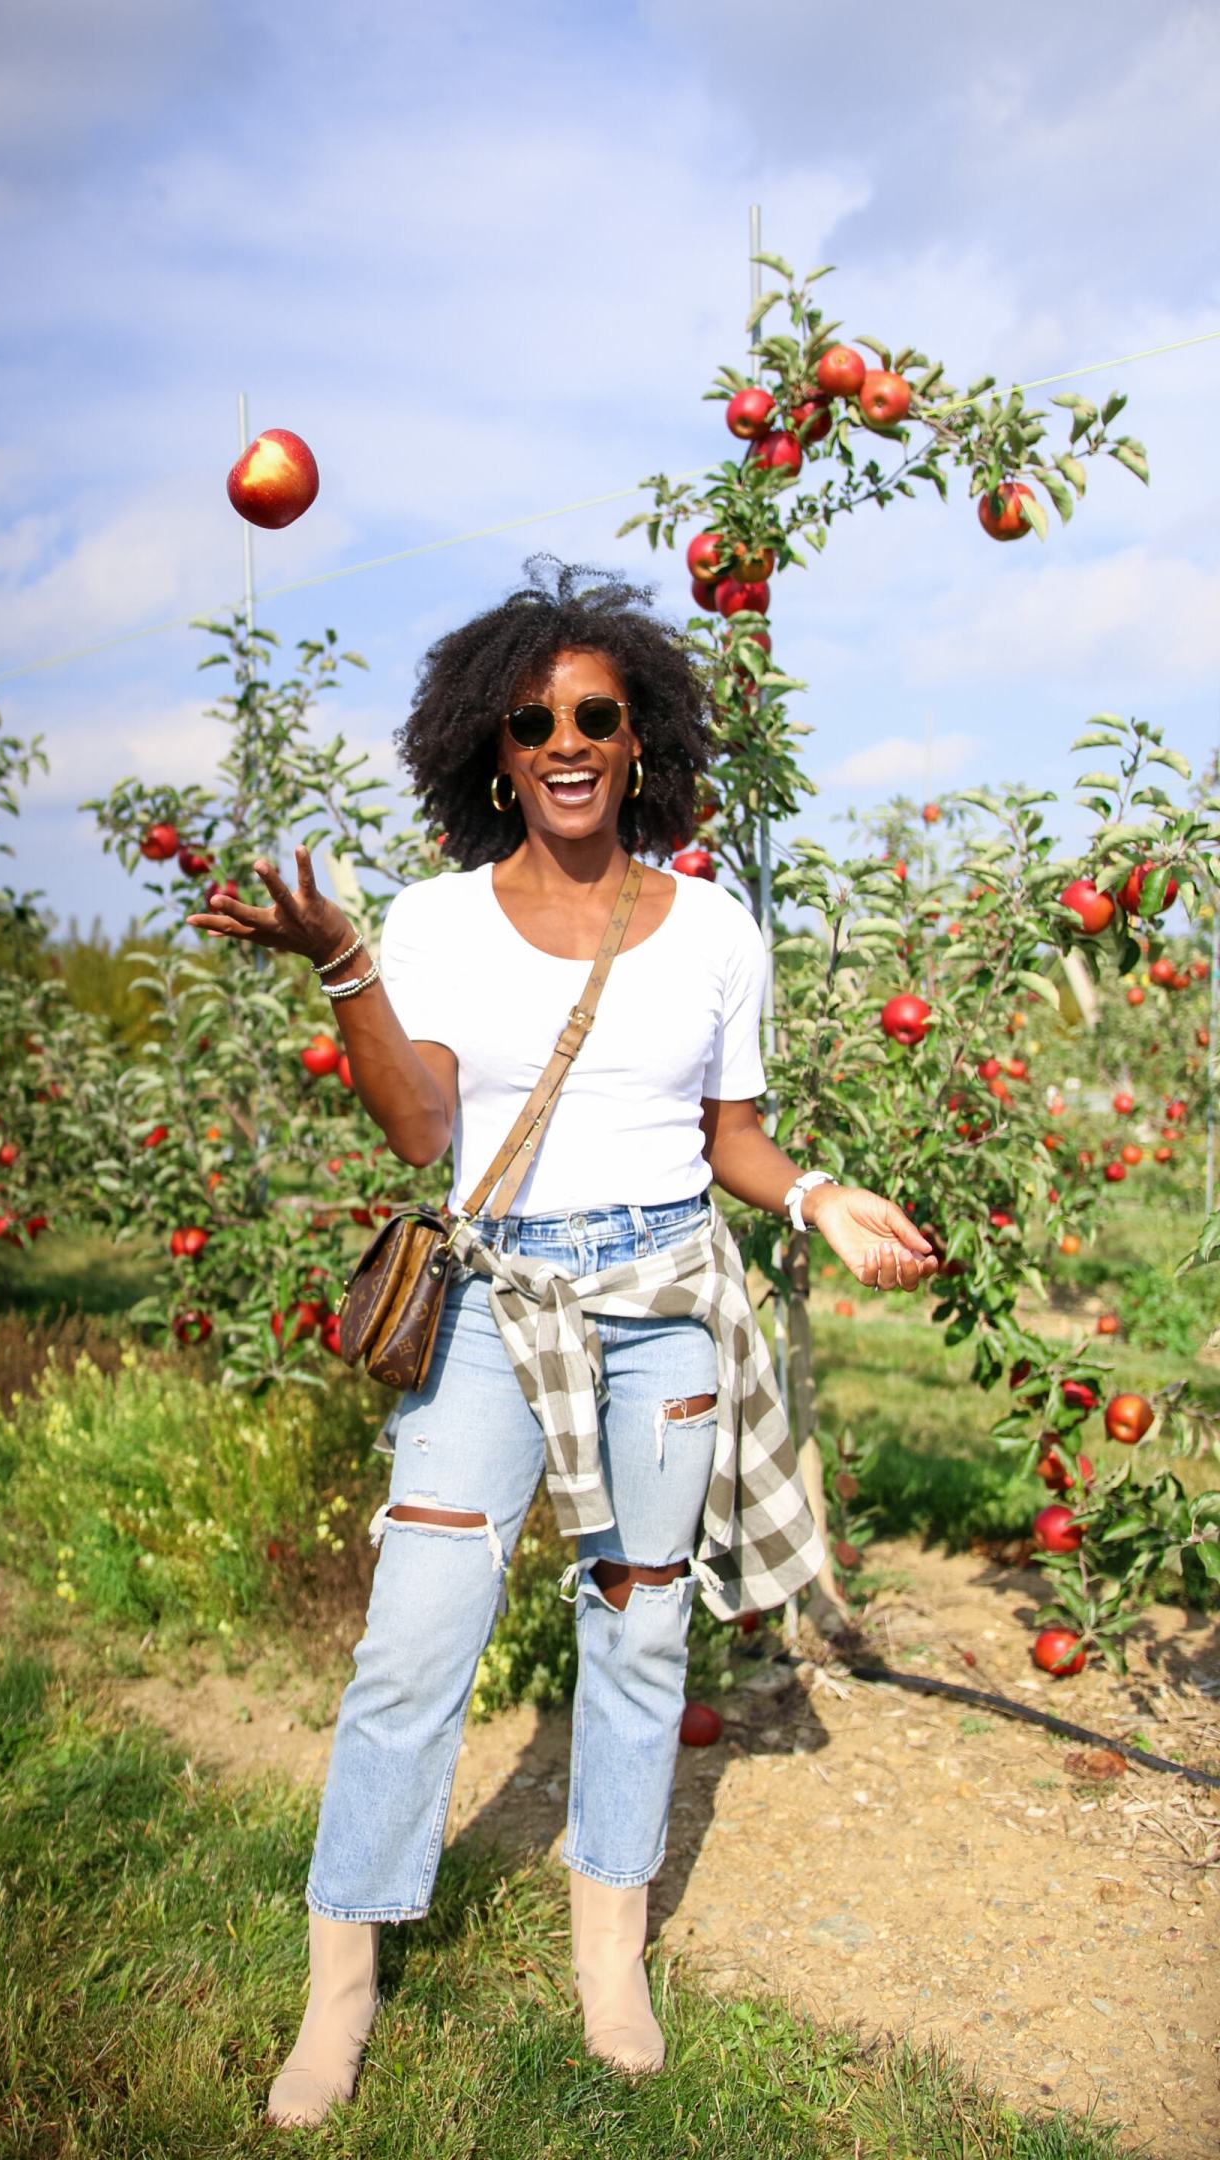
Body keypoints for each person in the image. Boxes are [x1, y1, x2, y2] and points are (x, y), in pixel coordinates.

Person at [186, 556, 937, 2130]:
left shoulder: (718, 928)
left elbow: (728, 1134)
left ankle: (611, 1951)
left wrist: (816, 1195)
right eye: (535, 721)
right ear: (496, 752)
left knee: (643, 1628)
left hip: (663, 1301)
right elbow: (420, 1129)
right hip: (495, 1299)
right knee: (415, 1635)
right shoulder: (436, 919)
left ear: (641, 735)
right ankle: (342, 1985)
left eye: (597, 712)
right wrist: (346, 971)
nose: (570, 740)